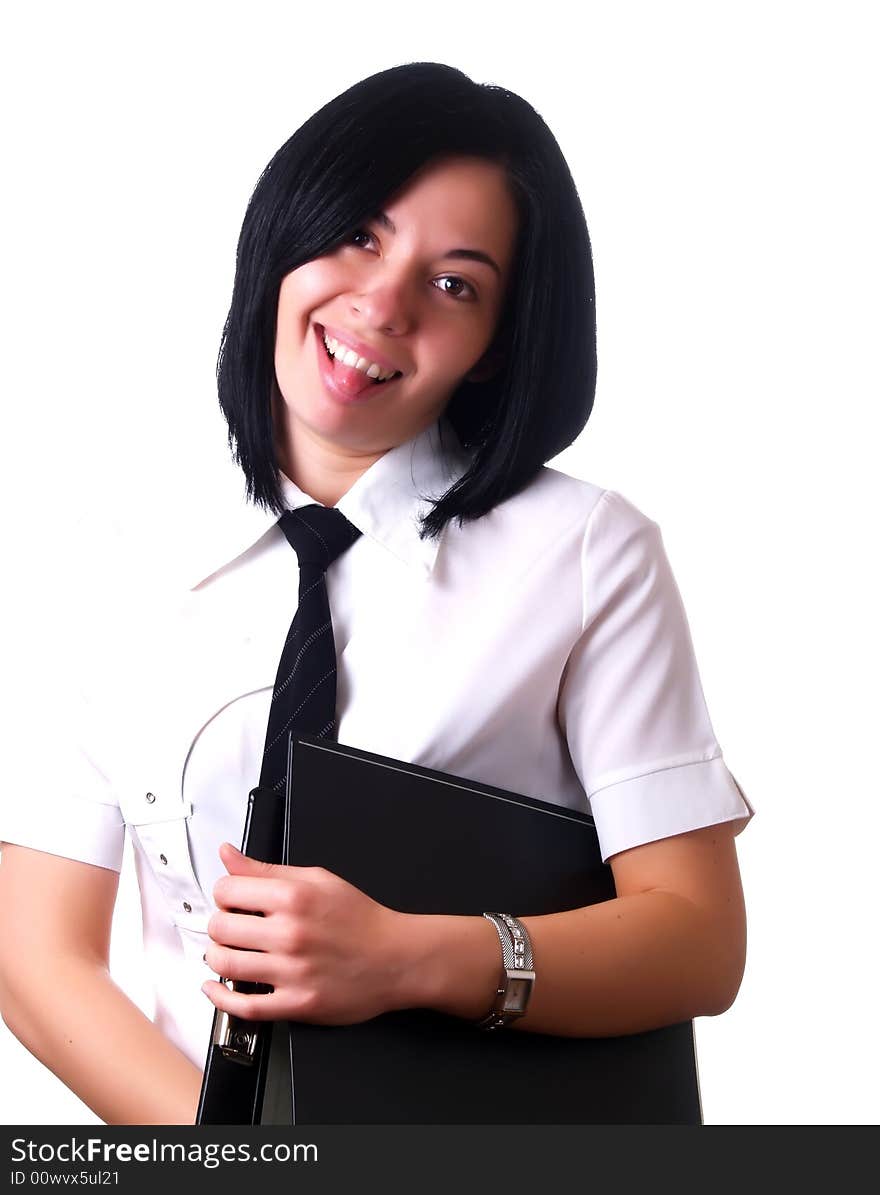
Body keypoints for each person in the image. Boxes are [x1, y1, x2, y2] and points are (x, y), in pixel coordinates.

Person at [0, 61, 754, 1125]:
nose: (382, 302)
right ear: (286, 228)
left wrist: (412, 958)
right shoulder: (112, 554)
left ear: (497, 344)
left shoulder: (586, 554)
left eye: (455, 284)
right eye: (358, 233)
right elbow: (38, 959)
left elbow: (695, 940)